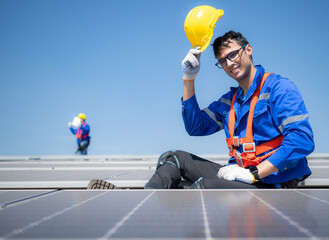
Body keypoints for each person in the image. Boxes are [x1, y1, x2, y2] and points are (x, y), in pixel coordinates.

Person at [87, 30, 314, 190]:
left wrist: (253, 174)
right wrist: (189, 78)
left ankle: (148, 206)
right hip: (238, 177)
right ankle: (145, 203)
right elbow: (195, 127)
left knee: (204, 188)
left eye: (233, 54)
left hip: (271, 183)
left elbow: (302, 141)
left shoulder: (279, 88)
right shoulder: (230, 101)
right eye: (222, 61)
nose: (229, 63)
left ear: (249, 49)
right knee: (173, 158)